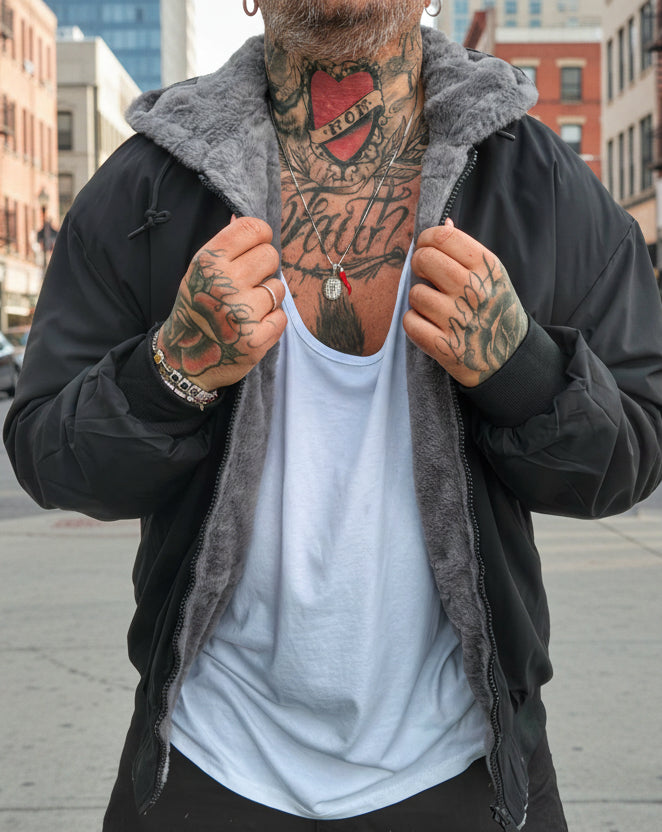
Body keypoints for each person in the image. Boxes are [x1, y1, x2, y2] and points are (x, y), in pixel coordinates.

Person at [4, 0, 662, 829]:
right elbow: (50, 455)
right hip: (205, 762)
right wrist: (171, 371)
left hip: (470, 765)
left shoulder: (536, 183)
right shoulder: (149, 185)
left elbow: (634, 450)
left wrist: (520, 370)